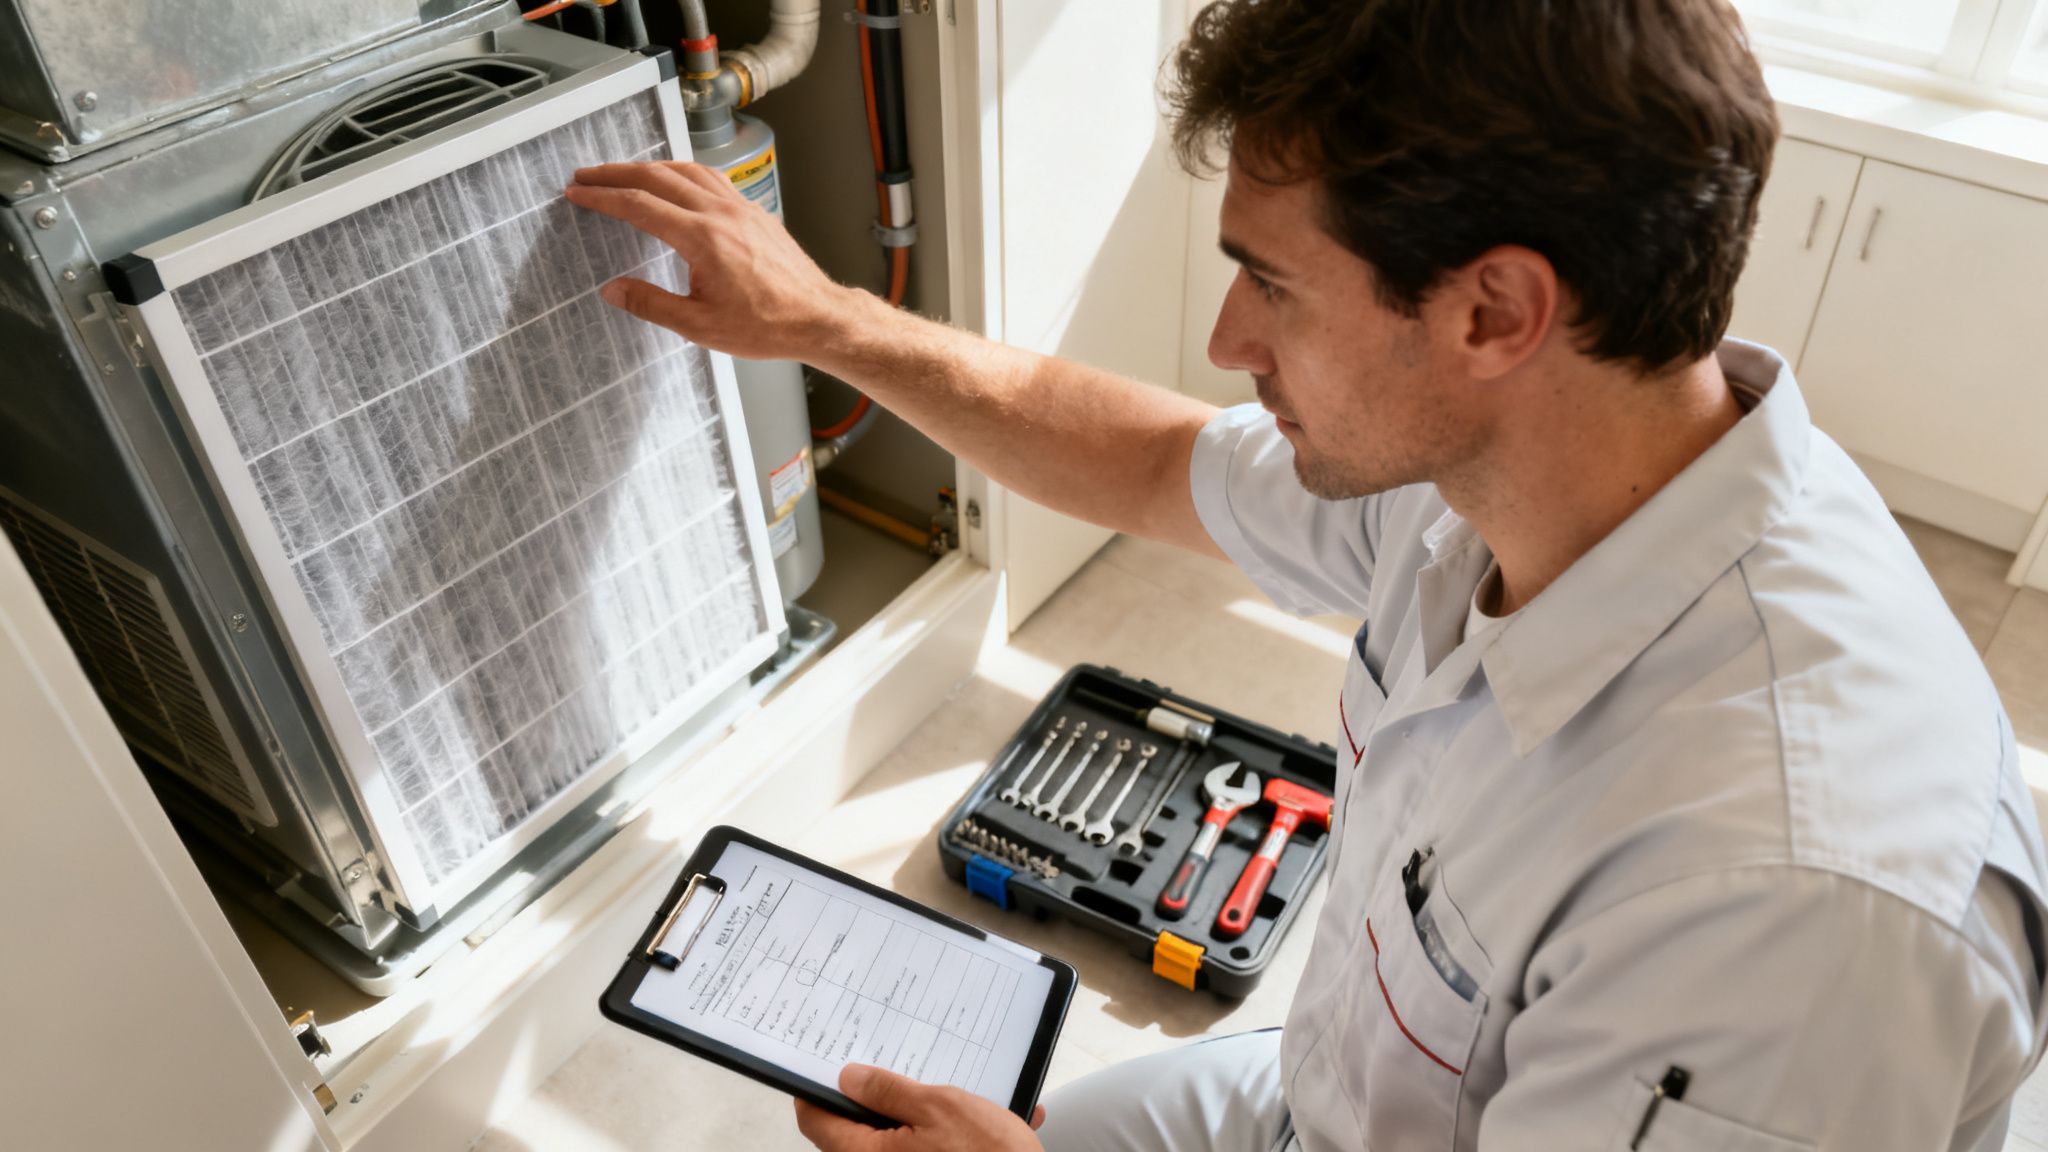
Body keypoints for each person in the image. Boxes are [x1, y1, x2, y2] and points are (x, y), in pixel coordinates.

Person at [566, 0, 2048, 1147]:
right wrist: (831, 322)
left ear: (1493, 311)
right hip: (1321, 1100)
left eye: (1271, 282)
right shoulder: (1506, 475)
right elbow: (1151, 462)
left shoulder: (1784, 916)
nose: (1227, 341)